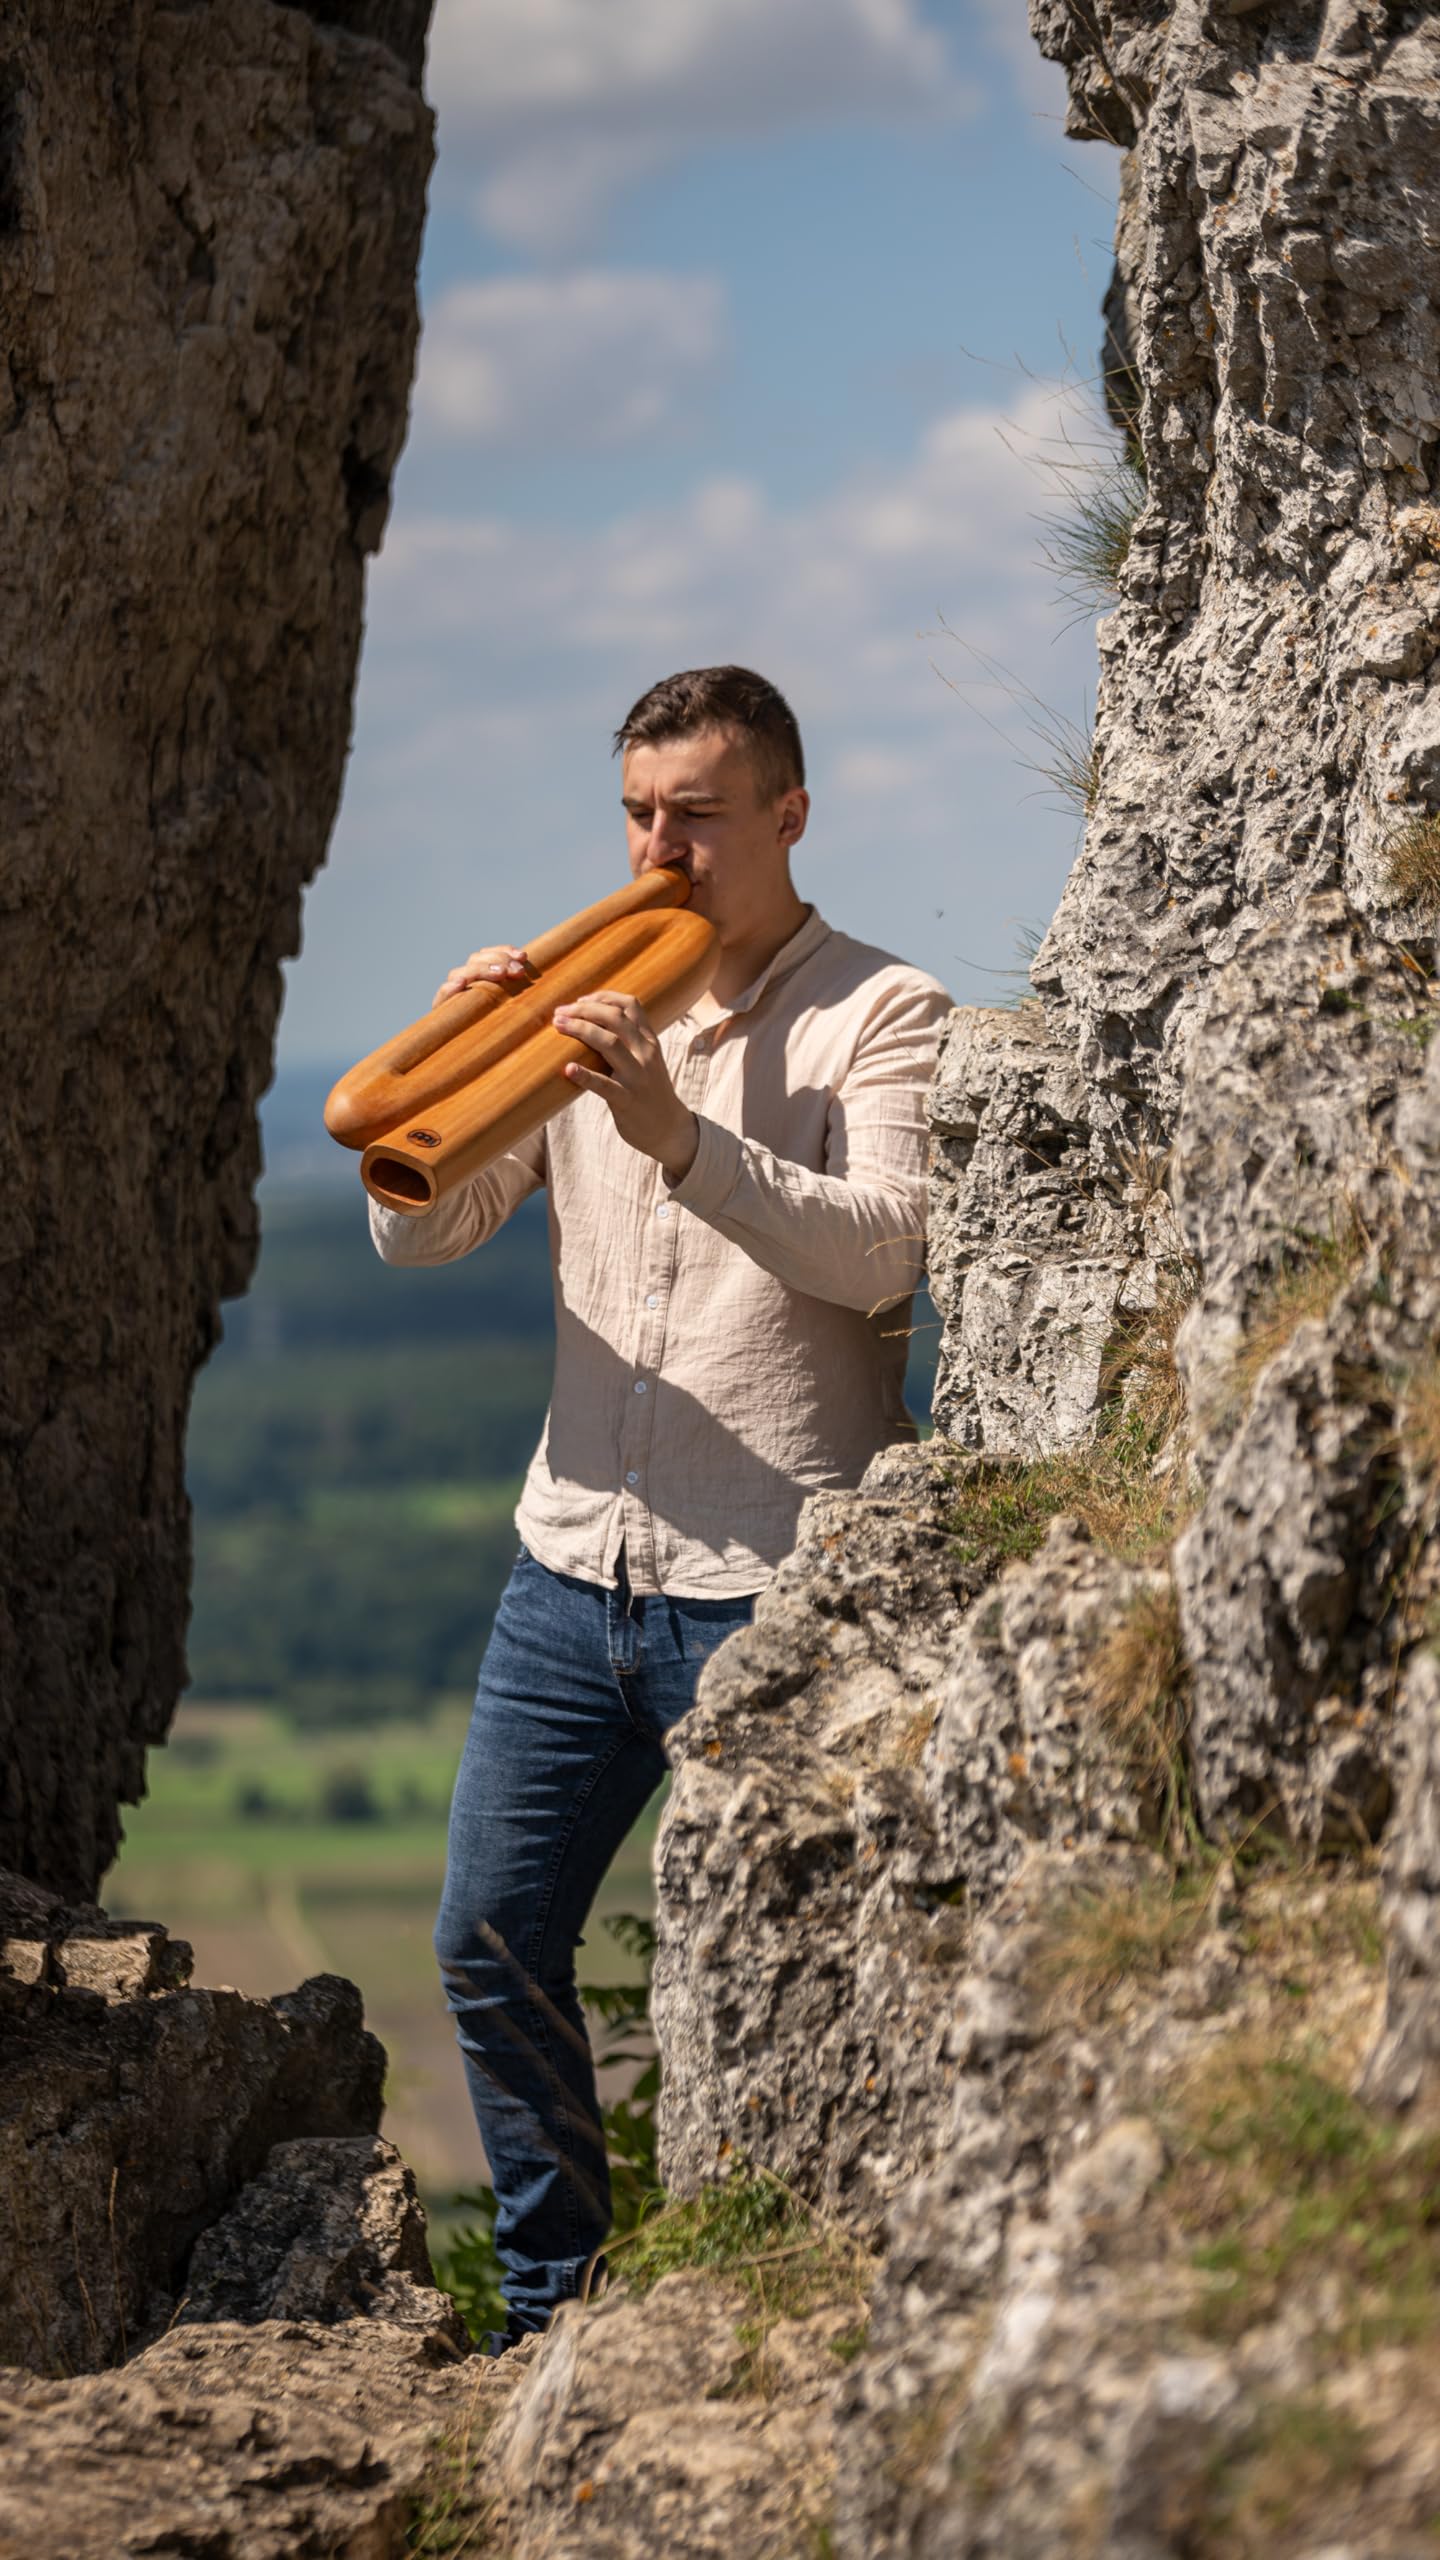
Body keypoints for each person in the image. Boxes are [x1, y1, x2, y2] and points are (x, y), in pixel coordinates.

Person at [368, 664, 952, 2344]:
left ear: (786, 814)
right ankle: (554, 2306)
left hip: (773, 1583)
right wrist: (454, 1064)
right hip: (569, 1571)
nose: (656, 849)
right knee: (488, 1939)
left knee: (754, 1984)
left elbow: (884, 1248)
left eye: (694, 815)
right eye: (636, 813)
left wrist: (678, 1129)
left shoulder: (881, 1007)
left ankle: (747, 2304)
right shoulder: (582, 994)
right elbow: (426, 1226)